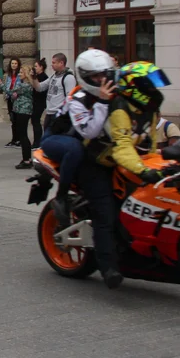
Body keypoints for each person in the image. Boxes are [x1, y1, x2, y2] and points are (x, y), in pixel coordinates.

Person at [86, 60, 174, 290]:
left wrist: (159, 163)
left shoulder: (149, 107)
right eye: (149, 85)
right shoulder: (120, 107)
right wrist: (143, 170)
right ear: (135, 87)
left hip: (131, 162)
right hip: (100, 162)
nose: (154, 90)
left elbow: (151, 140)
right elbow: (122, 146)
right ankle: (108, 267)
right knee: (107, 214)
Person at [39, 49, 115, 228]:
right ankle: (61, 198)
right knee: (75, 149)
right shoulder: (78, 99)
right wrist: (103, 102)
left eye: (104, 75)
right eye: (96, 76)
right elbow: (90, 131)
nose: (101, 80)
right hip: (57, 138)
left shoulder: (111, 91)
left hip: (85, 141)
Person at [35, 53, 77, 136]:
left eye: (54, 63)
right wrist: (32, 78)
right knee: (47, 139)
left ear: (61, 63)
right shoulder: (53, 76)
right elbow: (39, 87)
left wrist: (63, 113)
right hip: (49, 113)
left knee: (51, 138)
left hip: (58, 114)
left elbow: (70, 97)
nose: (52, 65)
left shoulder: (68, 78)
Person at [7, 65, 36, 169]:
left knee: (23, 135)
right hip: (20, 110)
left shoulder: (25, 85)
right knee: (22, 134)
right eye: (19, 72)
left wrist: (0, 83)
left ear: (26, 74)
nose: (19, 74)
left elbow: (10, 91)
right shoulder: (23, 84)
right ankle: (26, 158)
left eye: (21, 73)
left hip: (24, 111)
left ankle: (27, 160)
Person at [0, 58, 22, 148]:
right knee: (12, 120)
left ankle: (19, 139)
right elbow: (8, 87)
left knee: (18, 120)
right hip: (9, 99)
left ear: (18, 65)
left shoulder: (20, 75)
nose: (14, 65)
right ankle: (14, 139)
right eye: (12, 63)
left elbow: (17, 88)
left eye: (15, 63)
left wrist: (1, 84)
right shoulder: (9, 75)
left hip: (17, 99)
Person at [31, 58, 48, 148]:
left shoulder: (43, 77)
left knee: (36, 121)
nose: (35, 68)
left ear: (41, 67)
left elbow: (40, 90)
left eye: (36, 66)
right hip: (36, 101)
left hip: (39, 102)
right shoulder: (38, 76)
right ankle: (36, 141)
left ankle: (38, 142)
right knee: (34, 121)